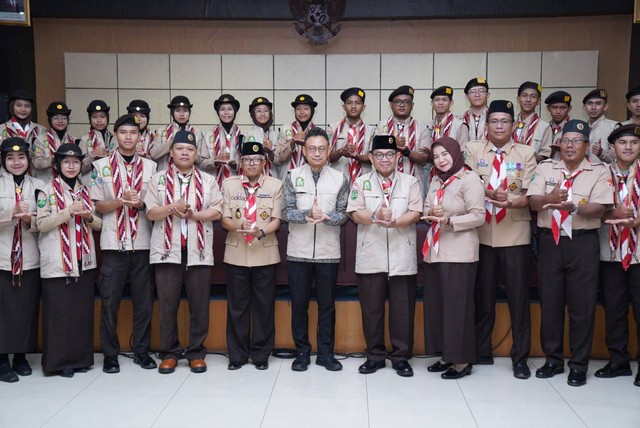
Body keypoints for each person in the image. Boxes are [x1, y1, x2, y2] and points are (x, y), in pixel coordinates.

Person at [528, 119, 612, 387]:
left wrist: (573, 208)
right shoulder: (545, 167)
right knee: (550, 303)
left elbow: (600, 207)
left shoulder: (600, 170)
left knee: (582, 306)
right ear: (559, 144)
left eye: (576, 141)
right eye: (566, 140)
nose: (570, 145)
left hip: (582, 242)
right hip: (550, 242)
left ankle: (578, 364)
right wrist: (549, 199)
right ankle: (553, 359)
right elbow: (533, 201)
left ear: (587, 146)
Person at [465, 100, 537, 378]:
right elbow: (468, 181)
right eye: (493, 121)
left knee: (519, 299)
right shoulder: (473, 149)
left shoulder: (526, 153)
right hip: (482, 233)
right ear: (486, 125)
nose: (498, 126)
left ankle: (520, 357)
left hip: (514, 233)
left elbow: (531, 191)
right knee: (482, 297)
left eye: (504, 121)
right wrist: (486, 193)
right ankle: (481, 351)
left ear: (513, 124)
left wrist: (513, 200)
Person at [145, 130, 222, 374]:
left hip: (198, 250)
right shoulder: (157, 180)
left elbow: (218, 211)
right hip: (168, 251)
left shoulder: (208, 181)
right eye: (180, 149)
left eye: (189, 149)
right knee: (168, 305)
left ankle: (196, 352)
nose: (185, 153)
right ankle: (169, 353)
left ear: (196, 154)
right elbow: (150, 213)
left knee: (199, 305)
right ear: (171, 153)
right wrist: (172, 208)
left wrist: (193, 215)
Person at [347, 135, 422, 377]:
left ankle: (400, 356)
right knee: (371, 309)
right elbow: (354, 213)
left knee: (403, 309)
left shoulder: (410, 181)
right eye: (379, 155)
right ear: (371, 158)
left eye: (390, 154)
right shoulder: (360, 181)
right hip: (371, 252)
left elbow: (416, 211)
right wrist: (374, 217)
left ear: (398, 157)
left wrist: (396, 223)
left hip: (402, 252)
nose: (385, 159)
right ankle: (375, 355)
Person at [91, 114, 158, 374]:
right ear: (115, 136)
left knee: (144, 302)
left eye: (133, 132)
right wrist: (120, 201)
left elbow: (154, 205)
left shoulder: (152, 168)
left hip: (142, 243)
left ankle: (141, 350)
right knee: (110, 301)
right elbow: (98, 204)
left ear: (140, 136)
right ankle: (110, 354)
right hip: (113, 244)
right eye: (123, 133)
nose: (128, 137)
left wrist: (140, 204)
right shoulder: (101, 167)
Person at [282, 127, 349, 372]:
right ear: (304, 150)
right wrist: (305, 214)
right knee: (299, 304)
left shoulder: (340, 178)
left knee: (327, 305)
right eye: (312, 148)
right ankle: (301, 352)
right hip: (298, 251)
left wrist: (327, 217)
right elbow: (285, 211)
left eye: (322, 148)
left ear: (329, 150)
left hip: (328, 252)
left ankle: (325, 353)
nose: (317, 153)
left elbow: (344, 215)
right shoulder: (291, 175)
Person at [36, 143, 102, 377]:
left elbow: (99, 225)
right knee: (59, 314)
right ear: (57, 165)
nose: (71, 166)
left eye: (75, 162)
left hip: (83, 259)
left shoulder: (86, 190)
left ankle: (81, 359)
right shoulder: (45, 191)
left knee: (80, 312)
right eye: (66, 162)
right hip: (57, 261)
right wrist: (68, 212)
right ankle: (59, 362)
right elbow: (40, 224)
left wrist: (88, 216)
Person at [422, 136, 485, 380]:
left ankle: (462, 360)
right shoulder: (436, 180)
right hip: (435, 252)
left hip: (460, 254)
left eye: (444, 155)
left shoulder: (469, 179)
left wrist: (449, 220)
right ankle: (447, 355)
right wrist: (432, 212)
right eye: (436, 156)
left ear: (455, 154)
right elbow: (427, 208)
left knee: (458, 309)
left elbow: (479, 216)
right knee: (439, 307)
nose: (441, 160)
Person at [221, 142, 283, 371]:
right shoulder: (229, 184)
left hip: (265, 252)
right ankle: (236, 354)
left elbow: (277, 220)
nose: (252, 163)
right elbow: (224, 219)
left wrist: (261, 232)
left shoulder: (275, 185)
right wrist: (239, 224)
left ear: (264, 163)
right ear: (241, 162)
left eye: (257, 160)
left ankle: (260, 354)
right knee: (237, 307)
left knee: (264, 307)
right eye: (247, 159)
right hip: (236, 252)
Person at [594, 124, 640, 387]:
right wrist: (612, 215)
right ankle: (619, 361)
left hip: (638, 252)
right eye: (623, 143)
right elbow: (589, 205)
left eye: (634, 143)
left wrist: (635, 221)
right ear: (613, 147)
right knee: (614, 308)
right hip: (609, 251)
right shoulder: (602, 174)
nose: (628, 147)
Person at [0, 138, 44, 383]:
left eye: (21, 158)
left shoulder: (39, 185)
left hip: (29, 258)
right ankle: (1, 359)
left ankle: (20, 356)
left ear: (28, 160)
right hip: (3, 258)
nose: (16, 162)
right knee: (3, 312)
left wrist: (29, 219)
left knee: (26, 310)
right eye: (10, 158)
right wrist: (11, 213)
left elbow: (44, 221)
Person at [376, 85, 431, 189]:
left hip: (414, 185)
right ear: (391, 105)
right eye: (397, 102)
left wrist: (407, 152)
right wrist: (391, 143)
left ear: (412, 105)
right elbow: (375, 154)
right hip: (386, 185)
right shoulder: (381, 126)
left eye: (406, 102)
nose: (402, 105)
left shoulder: (422, 128)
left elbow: (425, 159)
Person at [328, 87, 374, 183]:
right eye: (349, 103)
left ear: (363, 107)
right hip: (338, 182)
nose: (353, 106)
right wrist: (341, 152)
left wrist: (356, 156)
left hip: (363, 182)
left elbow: (373, 158)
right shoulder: (333, 129)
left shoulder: (372, 131)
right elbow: (326, 156)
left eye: (358, 103)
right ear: (344, 107)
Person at [151, 96, 205, 171]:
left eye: (185, 111)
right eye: (178, 110)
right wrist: (171, 143)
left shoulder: (197, 132)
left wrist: (188, 150)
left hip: (190, 177)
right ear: (172, 112)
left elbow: (201, 160)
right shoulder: (162, 131)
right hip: (166, 177)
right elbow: (154, 155)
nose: (182, 114)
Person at [199, 94, 243, 187]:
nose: (226, 112)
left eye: (230, 109)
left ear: (235, 112)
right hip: (214, 186)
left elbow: (248, 162)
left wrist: (235, 165)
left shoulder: (243, 135)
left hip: (237, 186)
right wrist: (215, 160)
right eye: (222, 109)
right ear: (218, 112)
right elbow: (202, 163)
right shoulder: (208, 135)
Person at [276, 94, 318, 180]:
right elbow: (280, 158)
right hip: (287, 178)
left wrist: (306, 144)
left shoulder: (317, 132)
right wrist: (292, 143)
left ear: (312, 111)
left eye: (306, 108)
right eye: (298, 109)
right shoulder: (285, 129)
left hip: (310, 179)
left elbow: (321, 160)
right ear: (294, 111)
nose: (302, 112)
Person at [32, 101, 75, 181]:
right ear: (50, 120)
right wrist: (54, 160)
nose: (60, 121)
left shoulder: (74, 140)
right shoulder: (39, 140)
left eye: (64, 118)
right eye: (55, 118)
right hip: (47, 185)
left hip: (68, 184)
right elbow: (36, 163)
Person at [512, 82, 552, 162]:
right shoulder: (510, 125)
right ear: (518, 99)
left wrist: (526, 151)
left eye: (533, 96)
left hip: (533, 171)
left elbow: (544, 158)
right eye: (524, 95)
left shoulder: (545, 127)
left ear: (538, 101)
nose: (528, 100)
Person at [78, 100, 114, 183]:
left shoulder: (114, 138)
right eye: (94, 117)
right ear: (90, 119)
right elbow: (80, 169)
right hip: (91, 185)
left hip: (112, 184)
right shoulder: (84, 140)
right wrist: (92, 155)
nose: (99, 120)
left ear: (107, 118)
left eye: (102, 116)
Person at [244, 97, 280, 177]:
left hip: (274, 180)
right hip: (254, 180)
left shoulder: (276, 135)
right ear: (253, 114)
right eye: (258, 111)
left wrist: (271, 154)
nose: (263, 114)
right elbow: (244, 162)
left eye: (266, 110)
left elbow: (281, 162)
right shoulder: (246, 135)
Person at [583, 89, 616, 164]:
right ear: (584, 107)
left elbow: (619, 159)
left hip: (604, 173)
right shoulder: (581, 128)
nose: (593, 107)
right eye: (589, 103)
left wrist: (602, 153)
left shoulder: (613, 127)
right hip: (582, 173)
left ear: (605, 107)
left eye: (598, 104)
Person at [461, 78, 490, 142]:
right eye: (473, 92)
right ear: (467, 97)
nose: (477, 95)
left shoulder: (494, 118)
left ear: (488, 95)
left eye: (481, 91)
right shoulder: (461, 120)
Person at [545, 91, 572, 159]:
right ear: (548, 108)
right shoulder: (544, 128)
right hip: (545, 167)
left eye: (563, 108)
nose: (558, 112)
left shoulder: (573, 130)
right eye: (554, 107)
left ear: (569, 109)